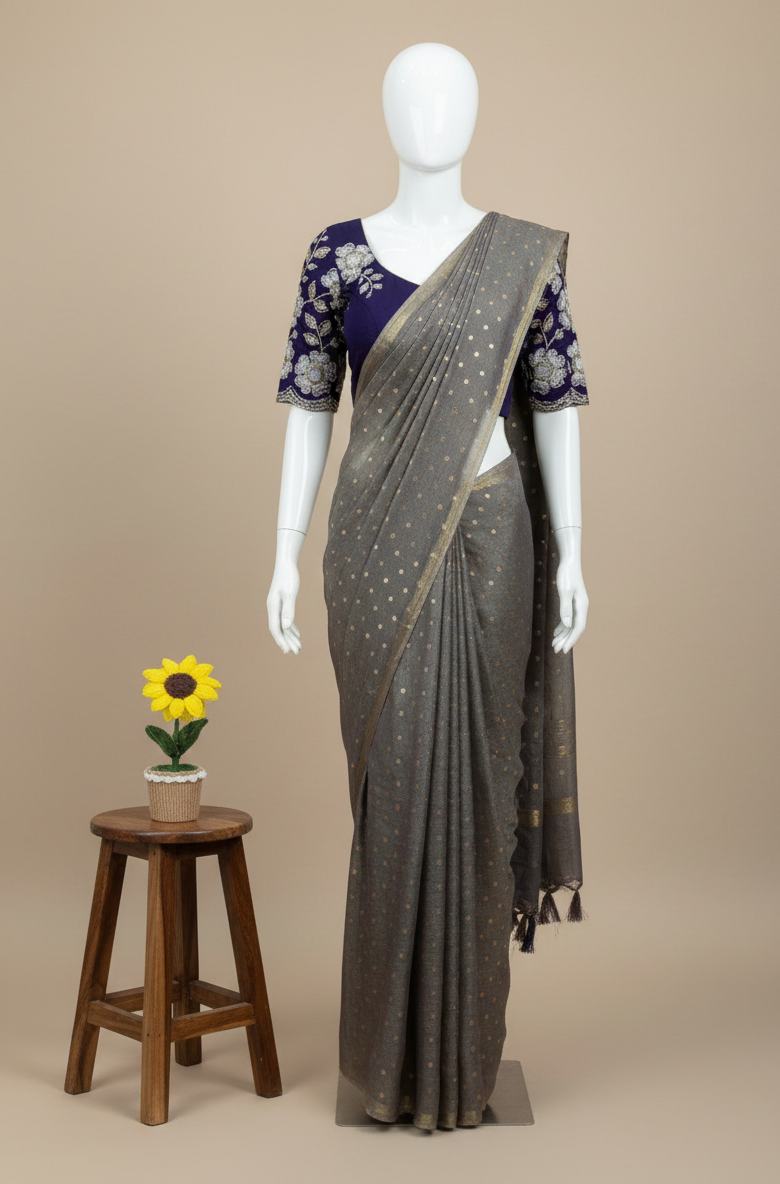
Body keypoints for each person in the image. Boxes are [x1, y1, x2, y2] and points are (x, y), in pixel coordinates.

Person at [267, 43, 589, 1130]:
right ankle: (393, 1057)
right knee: (395, 788)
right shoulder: (334, 255)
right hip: (371, 550)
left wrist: (577, 548)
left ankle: (466, 1053)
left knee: (483, 776)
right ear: (386, 110)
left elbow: (555, 402)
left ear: (477, 112)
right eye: (412, 92)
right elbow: (311, 405)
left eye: (452, 93)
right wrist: (279, 547)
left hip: (493, 540)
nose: (432, 112)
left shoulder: (520, 255)